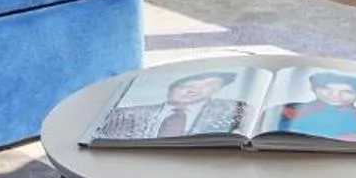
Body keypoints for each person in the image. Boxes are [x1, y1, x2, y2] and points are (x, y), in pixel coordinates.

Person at [92, 71, 244, 140]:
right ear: (170, 90)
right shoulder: (126, 114)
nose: (194, 90)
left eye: (208, 85)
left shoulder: (233, 110)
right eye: (186, 85)